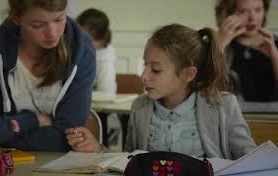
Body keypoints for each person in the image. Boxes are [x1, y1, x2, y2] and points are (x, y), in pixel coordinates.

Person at [66, 24, 257, 160]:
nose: (144, 75)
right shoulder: (141, 106)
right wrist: (97, 149)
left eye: (156, 69)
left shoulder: (222, 106)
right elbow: (128, 162)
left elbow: (251, 163)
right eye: (145, 65)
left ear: (188, 74)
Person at [0, 0, 96, 152]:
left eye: (59, 19)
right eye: (37, 25)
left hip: (55, 169)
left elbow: (65, 138)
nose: (52, 33)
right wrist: (32, 121)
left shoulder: (82, 52)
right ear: (16, 18)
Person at [215, 0, 278, 101]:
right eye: (243, 11)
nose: (252, 18)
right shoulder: (216, 44)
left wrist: (275, 57)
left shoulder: (274, 44)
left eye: (258, 10)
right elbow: (205, 89)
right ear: (228, 14)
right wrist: (219, 46)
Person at [77, 8, 117, 94]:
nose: (78, 39)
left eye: (83, 36)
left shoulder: (105, 63)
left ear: (97, 40)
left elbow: (106, 94)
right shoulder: (81, 49)